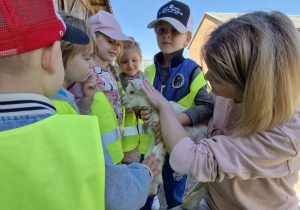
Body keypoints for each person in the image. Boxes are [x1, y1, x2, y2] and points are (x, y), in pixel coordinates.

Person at [0, 1, 160, 209]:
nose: (91, 63)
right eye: (87, 58)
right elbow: (119, 196)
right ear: (51, 57)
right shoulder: (78, 133)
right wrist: (144, 173)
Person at [140, 11, 300, 210]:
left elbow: (189, 159)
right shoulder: (225, 97)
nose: (207, 77)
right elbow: (206, 118)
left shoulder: (286, 133)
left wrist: (165, 108)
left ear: (249, 81)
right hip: (213, 202)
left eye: (217, 74)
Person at [141, 0, 214, 209]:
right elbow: (141, 103)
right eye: (162, 29)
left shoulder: (193, 70)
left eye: (175, 31)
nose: (167, 34)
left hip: (177, 147)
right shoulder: (149, 72)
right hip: (152, 147)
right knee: (147, 192)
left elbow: (207, 106)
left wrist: (172, 119)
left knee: (175, 198)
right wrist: (143, 112)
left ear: (187, 39)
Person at [70, 10, 132, 164]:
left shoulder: (112, 72)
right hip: (94, 151)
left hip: (114, 148)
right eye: (110, 41)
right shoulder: (83, 72)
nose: (116, 48)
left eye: (119, 44)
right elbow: (76, 110)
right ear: (93, 38)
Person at [51, 11, 98, 115]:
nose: (93, 64)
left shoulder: (63, 94)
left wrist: (87, 98)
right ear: (60, 54)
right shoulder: (55, 103)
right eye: (87, 58)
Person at [116, 37, 151, 165]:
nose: (130, 65)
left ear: (140, 59)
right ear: (119, 63)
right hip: (126, 142)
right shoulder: (117, 83)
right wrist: (125, 109)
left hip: (146, 138)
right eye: (124, 61)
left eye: (134, 60)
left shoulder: (147, 81)